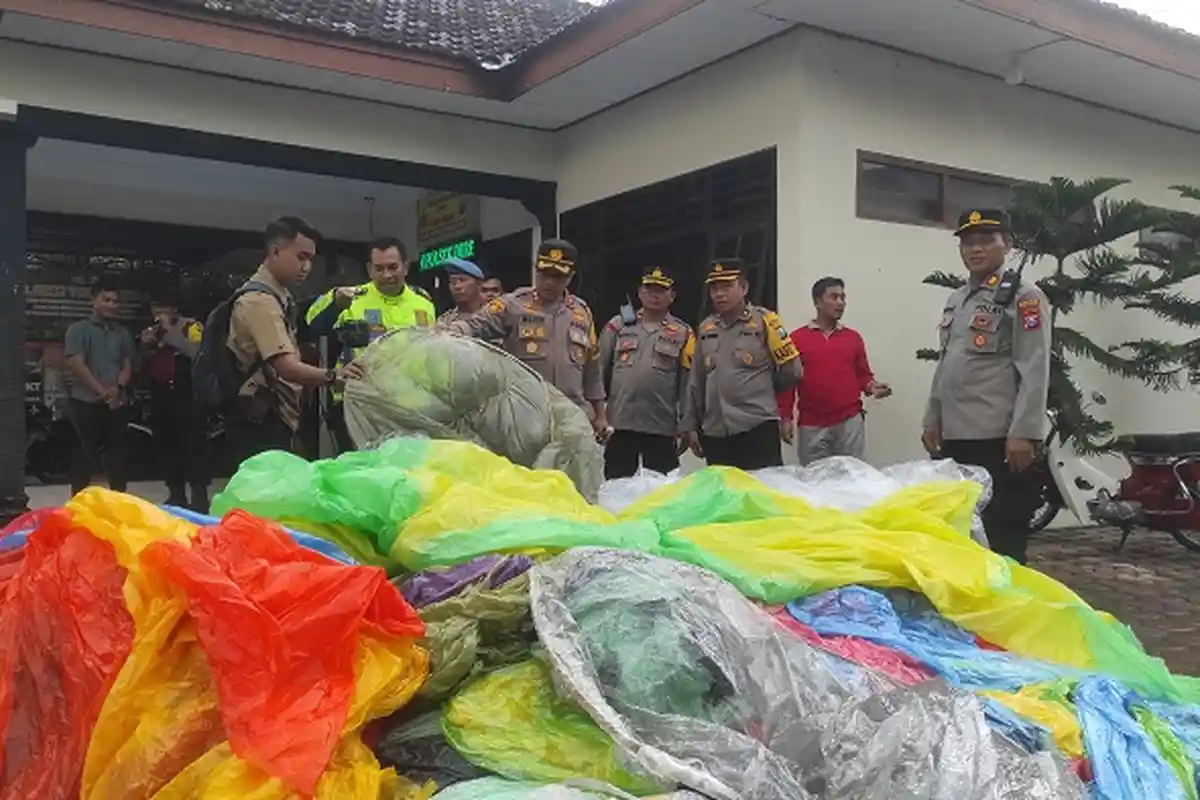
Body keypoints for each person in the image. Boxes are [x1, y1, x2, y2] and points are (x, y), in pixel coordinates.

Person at [922, 209, 1052, 564]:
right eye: (968, 242)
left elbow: (1035, 368)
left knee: (1002, 536)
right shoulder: (958, 299)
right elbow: (947, 363)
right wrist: (932, 417)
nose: (975, 249)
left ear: (1006, 245)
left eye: (985, 241)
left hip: (998, 439)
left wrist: (1024, 432)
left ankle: (1006, 611)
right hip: (956, 437)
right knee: (961, 531)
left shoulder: (1024, 297)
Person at [227, 216, 364, 463]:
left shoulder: (280, 297)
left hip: (277, 417)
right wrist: (333, 376)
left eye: (311, 259)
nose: (307, 267)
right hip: (262, 419)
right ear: (275, 251)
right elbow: (286, 367)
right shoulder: (260, 302)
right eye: (301, 257)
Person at [443, 238, 610, 438]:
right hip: (526, 416)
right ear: (536, 270)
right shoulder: (513, 305)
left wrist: (600, 415)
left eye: (557, 276)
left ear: (570, 277)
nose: (549, 281)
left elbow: (592, 368)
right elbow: (475, 324)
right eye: (544, 274)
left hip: (572, 417)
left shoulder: (581, 313)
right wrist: (452, 330)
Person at [305, 236, 434, 451]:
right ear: (369, 269)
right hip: (358, 402)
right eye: (379, 268)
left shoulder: (424, 302)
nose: (387, 275)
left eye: (393, 267)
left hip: (408, 406)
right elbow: (312, 326)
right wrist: (335, 302)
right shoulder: (350, 298)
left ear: (406, 267)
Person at [680, 259, 801, 470]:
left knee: (760, 495)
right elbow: (696, 381)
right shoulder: (706, 328)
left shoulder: (766, 322)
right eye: (714, 288)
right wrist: (690, 425)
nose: (719, 294)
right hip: (716, 431)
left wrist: (762, 391)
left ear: (744, 288)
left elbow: (793, 370)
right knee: (723, 497)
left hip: (757, 427)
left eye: (727, 286)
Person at [776, 277, 891, 465]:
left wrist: (872, 387)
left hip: (849, 422)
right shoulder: (796, 339)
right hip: (811, 424)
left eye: (843, 298)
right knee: (815, 481)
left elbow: (863, 375)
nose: (840, 303)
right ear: (817, 302)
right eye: (834, 297)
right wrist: (785, 418)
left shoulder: (853, 338)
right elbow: (788, 383)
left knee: (852, 478)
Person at [598, 267, 694, 478]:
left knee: (662, 492)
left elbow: (688, 384)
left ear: (672, 296)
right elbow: (599, 371)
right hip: (620, 425)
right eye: (649, 289)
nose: (655, 295)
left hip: (661, 427)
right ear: (640, 292)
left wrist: (688, 424)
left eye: (661, 290)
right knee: (617, 487)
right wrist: (598, 413)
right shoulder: (618, 325)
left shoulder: (683, 333)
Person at [63, 279, 137, 495]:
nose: (111, 305)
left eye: (115, 301)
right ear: (93, 301)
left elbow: (127, 364)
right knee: (84, 455)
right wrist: (100, 391)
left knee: (117, 456)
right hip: (84, 402)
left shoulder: (122, 333)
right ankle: (77, 503)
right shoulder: (78, 330)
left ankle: (119, 501)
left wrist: (117, 388)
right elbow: (77, 363)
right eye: (106, 299)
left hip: (116, 402)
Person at [140, 293, 210, 510]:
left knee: (193, 444)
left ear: (174, 309)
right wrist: (146, 345)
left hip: (187, 392)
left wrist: (169, 331)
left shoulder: (192, 327)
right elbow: (142, 363)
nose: (159, 314)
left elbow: (195, 351)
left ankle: (199, 494)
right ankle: (176, 492)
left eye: (163, 308)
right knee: (167, 443)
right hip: (161, 393)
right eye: (155, 309)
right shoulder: (151, 331)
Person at [436, 257, 488, 325]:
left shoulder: (496, 313)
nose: (457, 287)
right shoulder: (444, 321)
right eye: (453, 282)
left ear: (479, 283)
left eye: (463, 280)